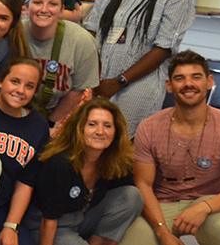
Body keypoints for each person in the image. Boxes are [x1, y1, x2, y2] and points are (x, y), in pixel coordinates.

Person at [120, 50, 220, 245]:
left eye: (196, 77)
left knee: (218, 227)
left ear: (209, 82)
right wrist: (162, 232)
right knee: (132, 240)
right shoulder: (149, 127)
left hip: (212, 205)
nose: (188, 84)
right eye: (179, 78)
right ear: (169, 85)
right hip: (163, 203)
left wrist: (204, 206)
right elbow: (143, 185)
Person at [83, 0, 194, 135]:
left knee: (123, 146)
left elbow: (164, 48)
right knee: (91, 141)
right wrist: (93, 76)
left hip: (138, 86)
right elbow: (92, 31)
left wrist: (119, 81)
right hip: (97, 81)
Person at [30, 99, 143, 245]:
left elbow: (126, 202)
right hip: (50, 224)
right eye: (92, 124)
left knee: (131, 196)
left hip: (82, 217)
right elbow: (49, 220)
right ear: (79, 128)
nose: (100, 132)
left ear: (116, 132)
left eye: (107, 126)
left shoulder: (116, 161)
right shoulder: (60, 163)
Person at [0, 58, 50, 245]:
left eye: (29, 86)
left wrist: (11, 225)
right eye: (15, 81)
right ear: (1, 81)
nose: (20, 90)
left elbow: (26, 180)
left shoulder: (38, 125)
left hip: (1, 206)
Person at [23, 0, 99, 125]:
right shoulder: (14, 33)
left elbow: (77, 90)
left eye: (52, 4)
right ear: (27, 7)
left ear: (62, 10)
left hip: (56, 112)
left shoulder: (82, 41)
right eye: (38, 3)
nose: (44, 9)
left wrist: (49, 124)